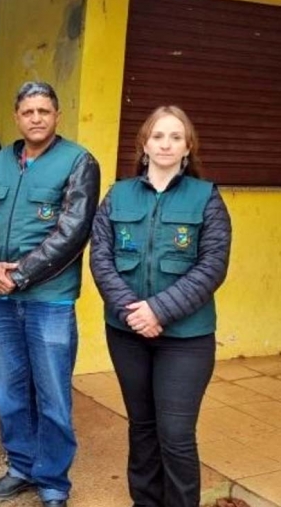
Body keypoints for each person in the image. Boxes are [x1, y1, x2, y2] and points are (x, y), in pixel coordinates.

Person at [89, 106, 232, 507]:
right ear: (144, 144)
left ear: (188, 146)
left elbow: (212, 266)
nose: (165, 144)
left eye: (175, 136)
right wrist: (133, 311)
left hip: (186, 338)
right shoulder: (118, 195)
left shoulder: (206, 198)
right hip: (127, 333)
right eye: (158, 136)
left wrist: (158, 311)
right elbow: (100, 258)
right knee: (142, 427)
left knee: (176, 434)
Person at [0, 81, 101, 507]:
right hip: (1, 304)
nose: (37, 118)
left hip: (50, 303)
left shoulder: (79, 162)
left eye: (45, 110)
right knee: (7, 392)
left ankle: (53, 483)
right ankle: (21, 467)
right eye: (29, 112)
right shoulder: (0, 163)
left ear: (57, 115)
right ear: (17, 116)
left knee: (54, 396)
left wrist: (18, 276)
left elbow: (73, 231)